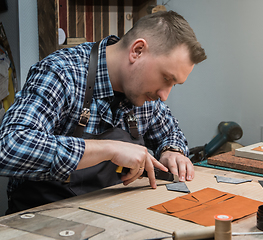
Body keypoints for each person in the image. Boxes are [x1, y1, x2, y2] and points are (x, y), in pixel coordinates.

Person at [0, 10, 207, 214]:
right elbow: (9, 146)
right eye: (166, 78)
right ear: (137, 51)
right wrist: (108, 149)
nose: (164, 95)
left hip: (110, 215)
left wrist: (173, 151)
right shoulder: (62, 72)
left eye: (174, 84)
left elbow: (171, 133)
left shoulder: (145, 95)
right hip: (42, 220)